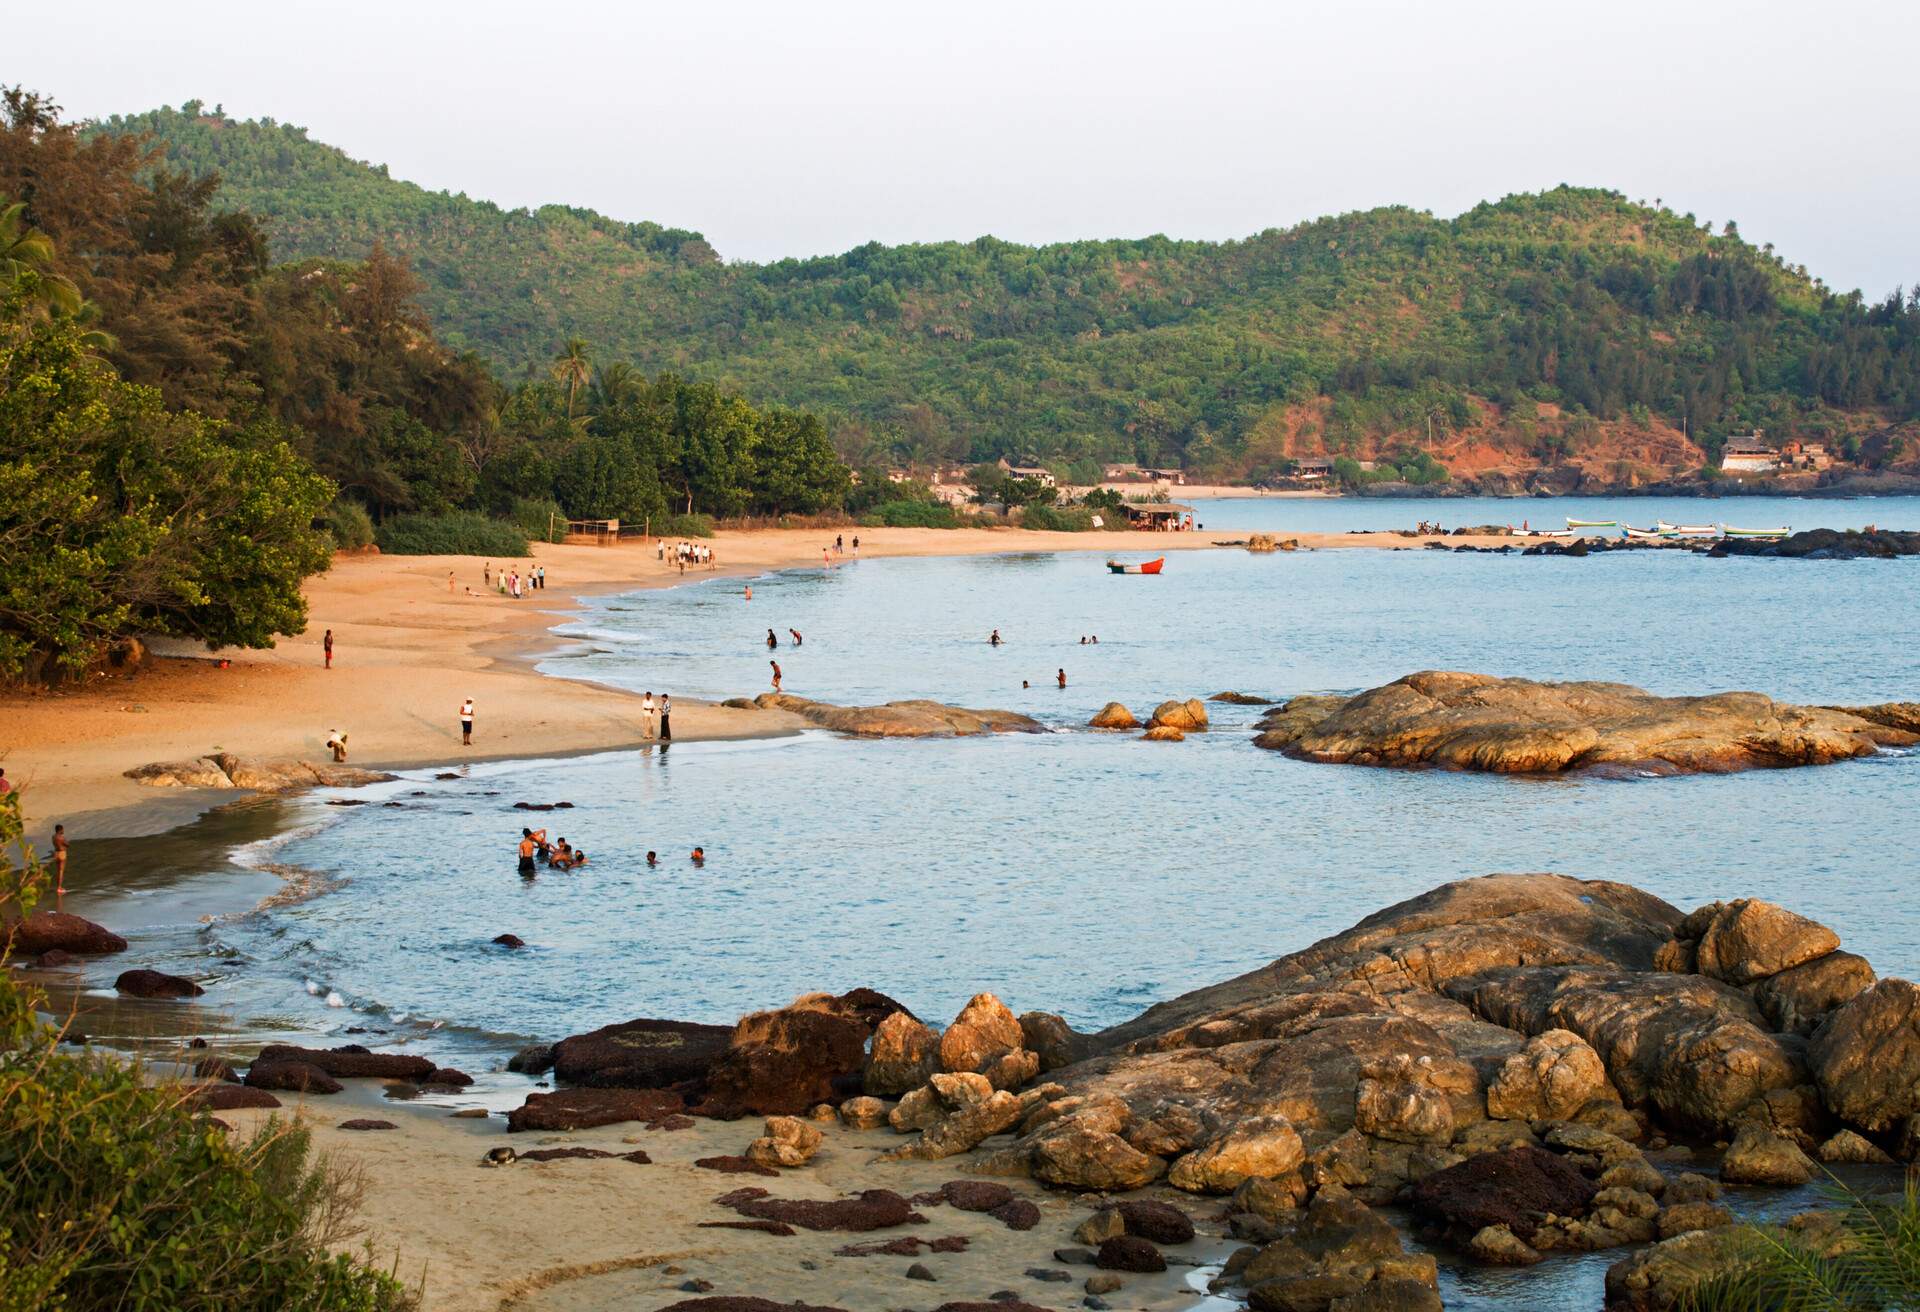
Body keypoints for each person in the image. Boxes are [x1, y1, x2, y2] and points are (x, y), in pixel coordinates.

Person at [50, 824, 68, 893]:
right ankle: (59, 888)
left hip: (56, 853)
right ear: (60, 830)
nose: (63, 831)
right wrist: (65, 841)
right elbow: (67, 844)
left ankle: (58, 887)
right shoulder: (61, 837)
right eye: (62, 829)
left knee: (58, 871)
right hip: (62, 853)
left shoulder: (53, 836)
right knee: (61, 871)